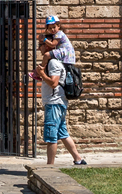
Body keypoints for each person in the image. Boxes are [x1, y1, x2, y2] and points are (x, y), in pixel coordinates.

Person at [35, 35, 85, 167]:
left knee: (51, 136)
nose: (38, 48)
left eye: (40, 45)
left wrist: (42, 74)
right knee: (62, 132)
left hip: (54, 103)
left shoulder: (53, 62)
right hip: (56, 102)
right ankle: (78, 159)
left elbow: (54, 83)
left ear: (47, 46)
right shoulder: (54, 62)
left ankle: (49, 166)